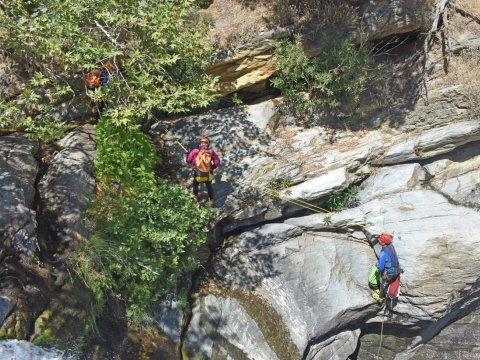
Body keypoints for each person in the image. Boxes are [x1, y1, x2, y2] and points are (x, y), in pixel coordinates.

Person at [186, 137, 220, 206]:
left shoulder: (195, 151)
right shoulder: (210, 152)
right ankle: (211, 200)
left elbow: (188, 160)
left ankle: (195, 197)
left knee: (195, 184)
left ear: (200, 144)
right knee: (209, 185)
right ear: (207, 144)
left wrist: (187, 154)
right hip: (208, 173)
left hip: (198, 174)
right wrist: (212, 167)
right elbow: (217, 162)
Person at [372, 232, 401, 303]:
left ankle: (381, 296)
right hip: (397, 269)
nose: (378, 240)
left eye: (380, 240)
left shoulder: (384, 253)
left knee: (384, 284)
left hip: (389, 273)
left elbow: (380, 268)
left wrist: (377, 265)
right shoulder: (391, 246)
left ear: (383, 243)